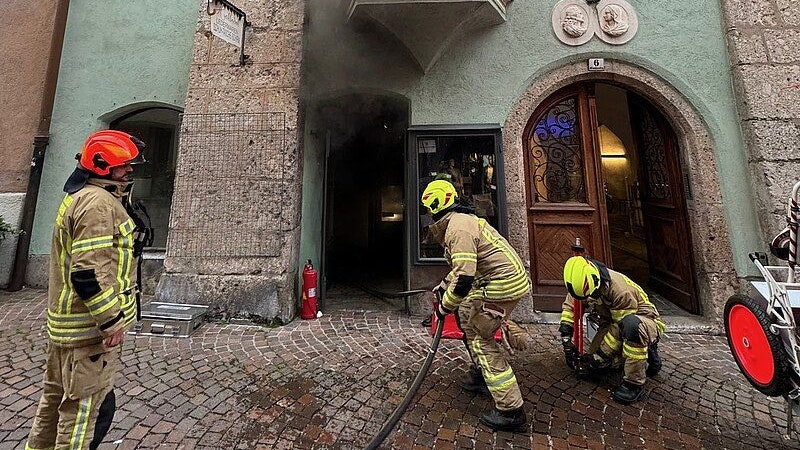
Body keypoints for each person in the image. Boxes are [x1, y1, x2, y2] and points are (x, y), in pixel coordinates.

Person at [26, 130, 146, 450]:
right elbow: (88, 273)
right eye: (124, 166)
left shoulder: (86, 194)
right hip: (87, 330)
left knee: (53, 401)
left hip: (68, 326)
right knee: (82, 413)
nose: (130, 170)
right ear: (103, 166)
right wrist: (110, 320)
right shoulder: (97, 203)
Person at [421, 179, 531, 432]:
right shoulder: (459, 222)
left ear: (435, 207)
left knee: (481, 339)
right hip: (496, 282)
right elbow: (466, 267)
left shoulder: (457, 229)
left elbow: (464, 281)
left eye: (428, 209)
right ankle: (482, 375)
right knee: (469, 323)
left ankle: (511, 410)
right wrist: (443, 284)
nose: (427, 215)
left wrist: (443, 308)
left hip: (501, 286)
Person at [559, 256, 665, 404]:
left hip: (642, 321)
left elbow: (619, 327)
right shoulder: (582, 281)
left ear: (597, 283)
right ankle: (643, 351)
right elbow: (572, 306)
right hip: (612, 322)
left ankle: (634, 384)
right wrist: (566, 337)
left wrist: (600, 355)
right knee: (597, 364)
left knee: (629, 332)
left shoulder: (621, 291)